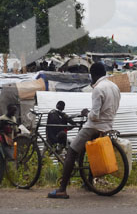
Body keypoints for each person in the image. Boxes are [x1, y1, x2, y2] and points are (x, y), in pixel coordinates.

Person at [48, 62, 120, 199]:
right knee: (91, 152)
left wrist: (86, 112)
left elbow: (94, 115)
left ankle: (62, 189)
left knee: (72, 151)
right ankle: (88, 183)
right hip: (108, 126)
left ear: (93, 74)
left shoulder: (98, 89)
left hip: (93, 126)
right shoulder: (114, 87)